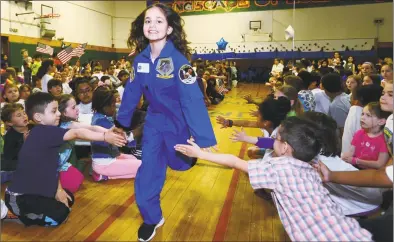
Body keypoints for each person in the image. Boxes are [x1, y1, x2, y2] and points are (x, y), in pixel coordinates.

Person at [175, 117, 372, 241]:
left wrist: (199, 153)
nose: (274, 140)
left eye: (277, 139)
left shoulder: (280, 168)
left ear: (285, 147)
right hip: (344, 230)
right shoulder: (310, 164)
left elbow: (234, 161)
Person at [116, 3, 217, 241]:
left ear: (169, 29)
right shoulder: (139, 60)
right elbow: (131, 92)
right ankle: (152, 218)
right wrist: (121, 123)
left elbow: (192, 100)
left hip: (179, 124)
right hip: (153, 123)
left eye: (159, 21)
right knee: (148, 172)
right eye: (148, 21)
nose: (152, 25)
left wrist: (202, 138)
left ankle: (185, 158)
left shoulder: (180, 62)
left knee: (180, 164)